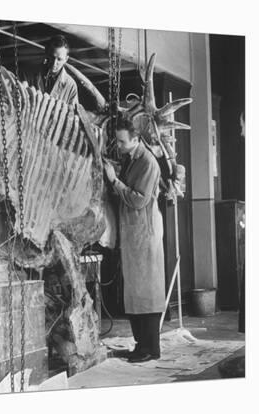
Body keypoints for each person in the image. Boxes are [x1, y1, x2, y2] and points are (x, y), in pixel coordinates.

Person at [103, 118, 166, 363]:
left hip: (144, 233)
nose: (118, 145)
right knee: (135, 293)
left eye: (122, 141)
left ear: (135, 139)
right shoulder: (132, 158)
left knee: (147, 292)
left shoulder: (148, 162)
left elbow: (139, 200)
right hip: (132, 234)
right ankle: (142, 345)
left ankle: (150, 348)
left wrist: (113, 180)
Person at [23, 35, 79, 108]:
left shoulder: (71, 85)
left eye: (59, 59)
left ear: (66, 59)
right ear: (46, 53)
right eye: (52, 57)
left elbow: (72, 114)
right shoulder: (29, 74)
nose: (54, 63)